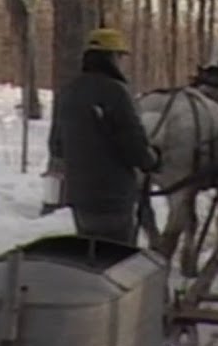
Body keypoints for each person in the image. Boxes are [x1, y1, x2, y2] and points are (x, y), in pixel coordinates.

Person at [51, 28, 162, 244]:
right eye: (120, 56)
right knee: (116, 256)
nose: (122, 62)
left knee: (90, 253)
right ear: (111, 58)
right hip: (113, 197)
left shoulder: (68, 92)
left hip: (79, 196)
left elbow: (56, 147)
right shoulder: (116, 92)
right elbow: (134, 145)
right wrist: (153, 160)